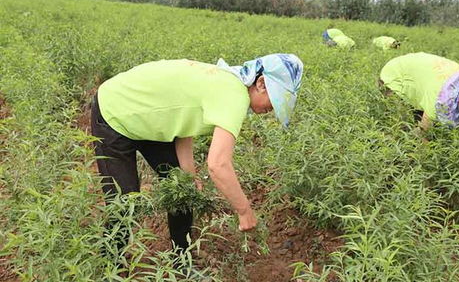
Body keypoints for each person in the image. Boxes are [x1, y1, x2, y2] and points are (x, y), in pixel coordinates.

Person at [91, 54, 303, 254]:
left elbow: (184, 123)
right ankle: (110, 273)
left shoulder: (227, 84)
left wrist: (188, 173)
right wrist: (245, 211)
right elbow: (218, 165)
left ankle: (181, 261)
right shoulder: (233, 95)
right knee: (124, 203)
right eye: (276, 100)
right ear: (261, 84)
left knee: (183, 189)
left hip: (150, 120)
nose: (273, 110)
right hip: (115, 112)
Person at [379, 52, 459, 130]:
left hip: (416, 74)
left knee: (424, 120)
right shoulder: (439, 97)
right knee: (401, 126)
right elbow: (423, 133)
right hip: (393, 77)